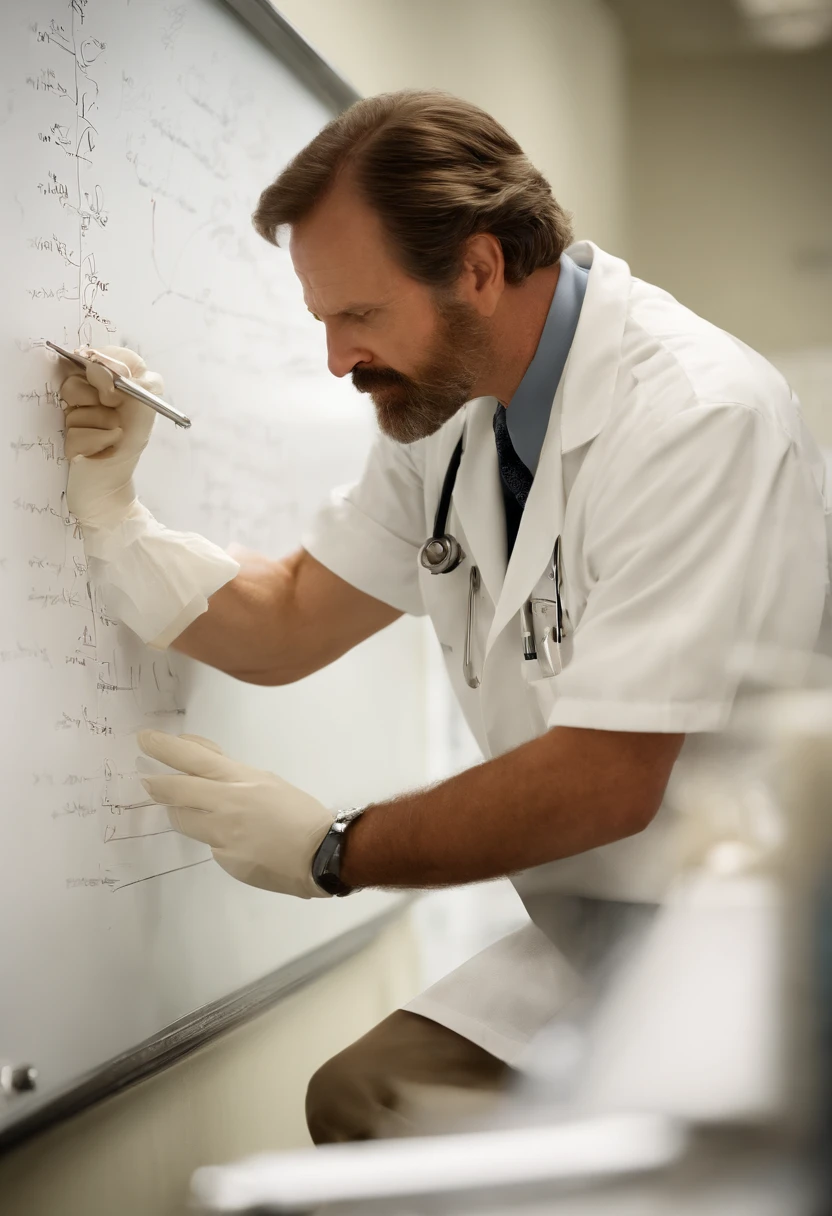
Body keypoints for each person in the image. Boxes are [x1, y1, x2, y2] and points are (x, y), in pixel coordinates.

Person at [59, 90, 830, 1144]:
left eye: (357, 316)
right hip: (601, 927)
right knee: (365, 1101)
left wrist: (335, 848)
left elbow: (609, 776)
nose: (336, 358)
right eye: (323, 320)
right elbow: (289, 619)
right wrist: (117, 523)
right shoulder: (447, 414)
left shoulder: (695, 416)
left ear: (476, 267)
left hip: (751, 934)